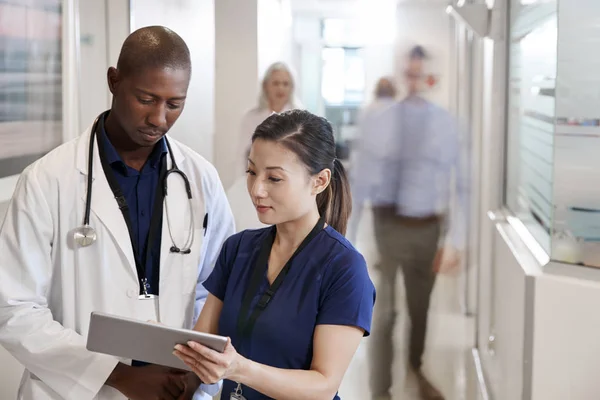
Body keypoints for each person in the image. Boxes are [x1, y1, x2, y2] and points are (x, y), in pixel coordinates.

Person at [0, 26, 235, 400]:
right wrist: (117, 376)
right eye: (146, 98)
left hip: (176, 389)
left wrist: (196, 374)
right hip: (72, 391)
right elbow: (14, 307)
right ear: (114, 80)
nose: (159, 118)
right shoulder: (49, 179)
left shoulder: (200, 179)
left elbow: (218, 291)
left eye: (174, 104)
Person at [172, 110, 376, 400]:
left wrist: (239, 369)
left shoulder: (344, 268)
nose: (257, 190)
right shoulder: (238, 249)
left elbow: (324, 385)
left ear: (319, 181)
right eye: (252, 172)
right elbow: (203, 343)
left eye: (275, 178)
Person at [362, 46, 469, 400]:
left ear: (430, 78)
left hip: (427, 228)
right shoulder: (380, 119)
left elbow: (463, 184)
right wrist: (344, 240)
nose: (413, 81)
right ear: (399, 75)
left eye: (419, 74)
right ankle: (381, 390)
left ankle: (416, 367)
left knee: (420, 309)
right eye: (407, 73)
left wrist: (455, 240)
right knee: (386, 312)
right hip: (388, 224)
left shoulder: (446, 122)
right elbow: (362, 179)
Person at [347, 76, 398, 244]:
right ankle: (381, 254)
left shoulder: (367, 109)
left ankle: (349, 246)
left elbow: (359, 140)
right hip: (381, 174)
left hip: (364, 171)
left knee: (354, 216)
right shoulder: (396, 111)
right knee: (380, 218)